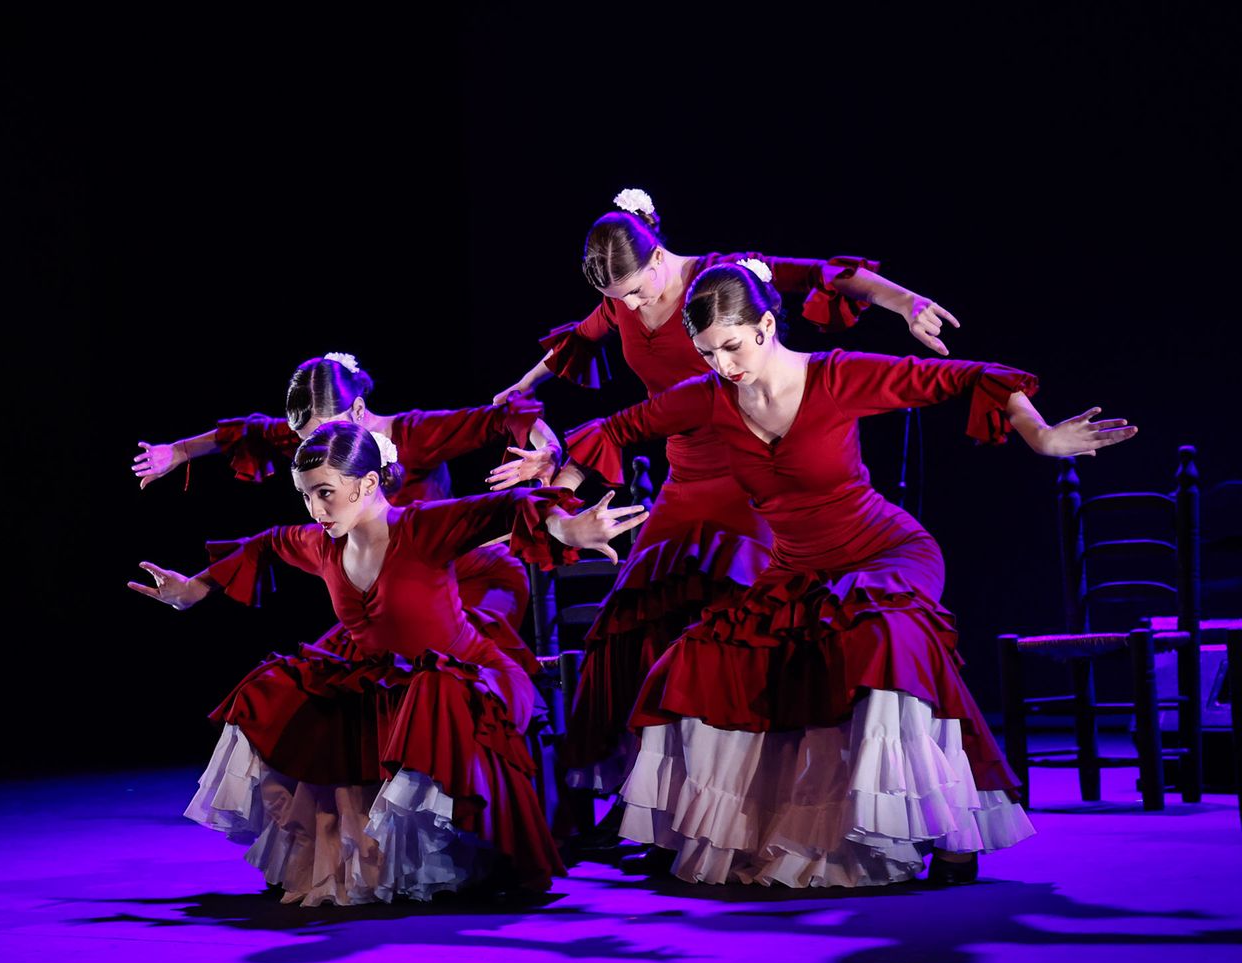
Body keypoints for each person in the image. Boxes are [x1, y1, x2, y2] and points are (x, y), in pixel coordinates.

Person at [556, 259, 1135, 887]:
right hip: (795, 570)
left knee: (885, 639)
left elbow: (969, 377)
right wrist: (559, 507)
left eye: (731, 346)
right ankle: (740, 827)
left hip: (883, 553)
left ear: (765, 326)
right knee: (696, 659)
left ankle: (949, 834)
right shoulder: (708, 398)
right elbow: (611, 430)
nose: (723, 365)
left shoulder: (836, 377)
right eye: (706, 353)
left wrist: (1041, 436)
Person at [493, 188, 959, 801]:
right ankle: (665, 795)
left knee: (750, 622)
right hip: (685, 479)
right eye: (617, 297)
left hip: (752, 472)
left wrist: (906, 303)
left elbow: (826, 275)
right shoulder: (621, 304)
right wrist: (523, 397)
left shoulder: (719, 278)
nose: (629, 305)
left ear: (658, 257)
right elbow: (567, 351)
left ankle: (777, 786)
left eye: (635, 290)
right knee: (632, 619)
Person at [129, 422, 647, 904]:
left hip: (462, 675)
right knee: (271, 688)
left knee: (432, 691)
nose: (315, 509)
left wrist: (565, 529)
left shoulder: (421, 527)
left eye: (325, 493)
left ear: (369, 483)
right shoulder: (320, 545)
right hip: (380, 676)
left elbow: (510, 506)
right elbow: (265, 545)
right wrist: (194, 589)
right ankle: (375, 857)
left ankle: (456, 853)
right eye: (305, 495)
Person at [132, 350, 561, 641]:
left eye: (321, 431)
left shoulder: (414, 434)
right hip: (388, 592)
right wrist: (179, 451)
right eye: (304, 438)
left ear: (357, 410)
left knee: (451, 672)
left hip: (457, 581)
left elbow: (507, 415)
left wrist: (549, 451)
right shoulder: (317, 441)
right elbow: (247, 432)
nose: (314, 446)